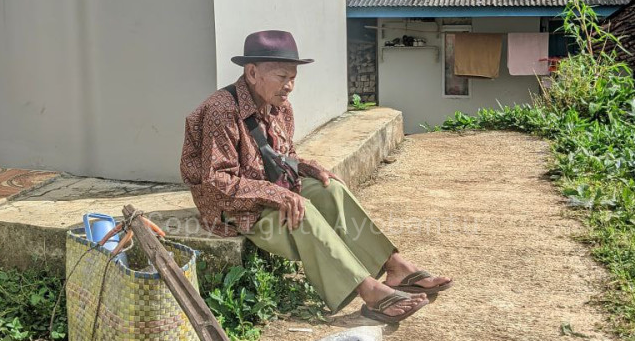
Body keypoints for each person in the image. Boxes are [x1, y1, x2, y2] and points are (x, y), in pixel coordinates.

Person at [180, 30, 452, 323]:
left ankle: (396, 266)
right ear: (252, 72)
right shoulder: (222, 111)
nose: (290, 86)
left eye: (293, 77)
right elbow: (217, 181)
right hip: (234, 207)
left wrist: (310, 168)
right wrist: (280, 194)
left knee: (330, 189)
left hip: (271, 189)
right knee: (303, 210)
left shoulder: (280, 107)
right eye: (283, 77)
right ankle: (370, 292)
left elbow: (282, 157)